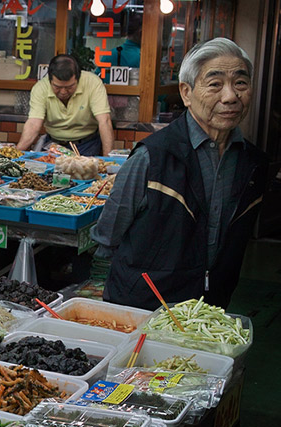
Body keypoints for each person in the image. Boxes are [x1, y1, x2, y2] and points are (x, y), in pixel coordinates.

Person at [91, 38, 268, 310]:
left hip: (208, 310)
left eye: (240, 83)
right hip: (145, 306)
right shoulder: (152, 156)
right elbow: (109, 235)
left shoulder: (254, 164)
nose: (231, 96)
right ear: (186, 93)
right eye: (215, 84)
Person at [17, 54, 115, 156]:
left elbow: (105, 121)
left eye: (69, 87)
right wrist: (16, 153)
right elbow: (33, 124)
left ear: (78, 78)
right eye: (57, 87)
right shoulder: (41, 88)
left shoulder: (92, 83)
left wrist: (107, 159)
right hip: (53, 144)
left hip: (87, 144)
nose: (63, 92)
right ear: (50, 80)